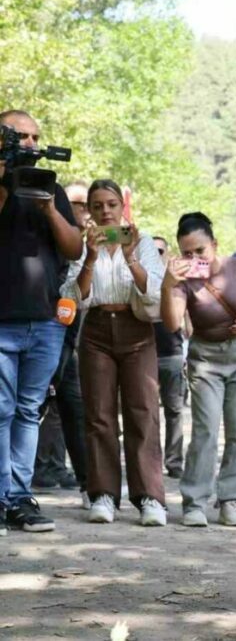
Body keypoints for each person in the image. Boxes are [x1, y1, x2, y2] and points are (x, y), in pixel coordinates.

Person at [63, 179, 167, 526]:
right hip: (95, 330)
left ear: (122, 207)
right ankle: (103, 494)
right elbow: (73, 297)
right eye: (97, 206)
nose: (105, 211)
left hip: (136, 328)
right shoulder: (81, 245)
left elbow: (155, 291)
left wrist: (130, 257)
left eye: (110, 204)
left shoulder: (144, 241)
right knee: (98, 415)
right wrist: (91, 258)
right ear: (89, 211)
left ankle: (150, 498)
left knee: (143, 411)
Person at [0, 109, 82, 535]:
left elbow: (72, 248)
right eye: (20, 136)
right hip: (2, 322)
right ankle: (3, 500)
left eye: (35, 136)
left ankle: (18, 498)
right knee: (0, 411)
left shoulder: (52, 189)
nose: (30, 143)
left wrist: (51, 208)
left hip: (46, 323)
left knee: (28, 412)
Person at [161, 212, 236, 527]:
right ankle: (194, 502)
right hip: (206, 359)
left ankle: (232, 499)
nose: (195, 259)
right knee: (205, 431)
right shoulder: (182, 283)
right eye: (187, 253)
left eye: (200, 251)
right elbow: (173, 323)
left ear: (214, 245)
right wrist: (168, 284)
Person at [34, 182, 91, 495]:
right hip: (44, 324)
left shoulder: (93, 241)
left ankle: (88, 483)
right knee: (31, 405)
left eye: (86, 204)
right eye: (76, 203)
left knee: (75, 406)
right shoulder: (47, 228)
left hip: (72, 336)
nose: (81, 210)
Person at [151, 236, 187, 479]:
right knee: (148, 411)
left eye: (160, 250)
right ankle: (151, 462)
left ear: (167, 253)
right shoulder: (141, 277)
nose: (156, 254)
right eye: (151, 251)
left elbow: (181, 319)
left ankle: (174, 462)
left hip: (172, 354)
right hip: (144, 355)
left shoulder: (177, 282)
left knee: (174, 410)